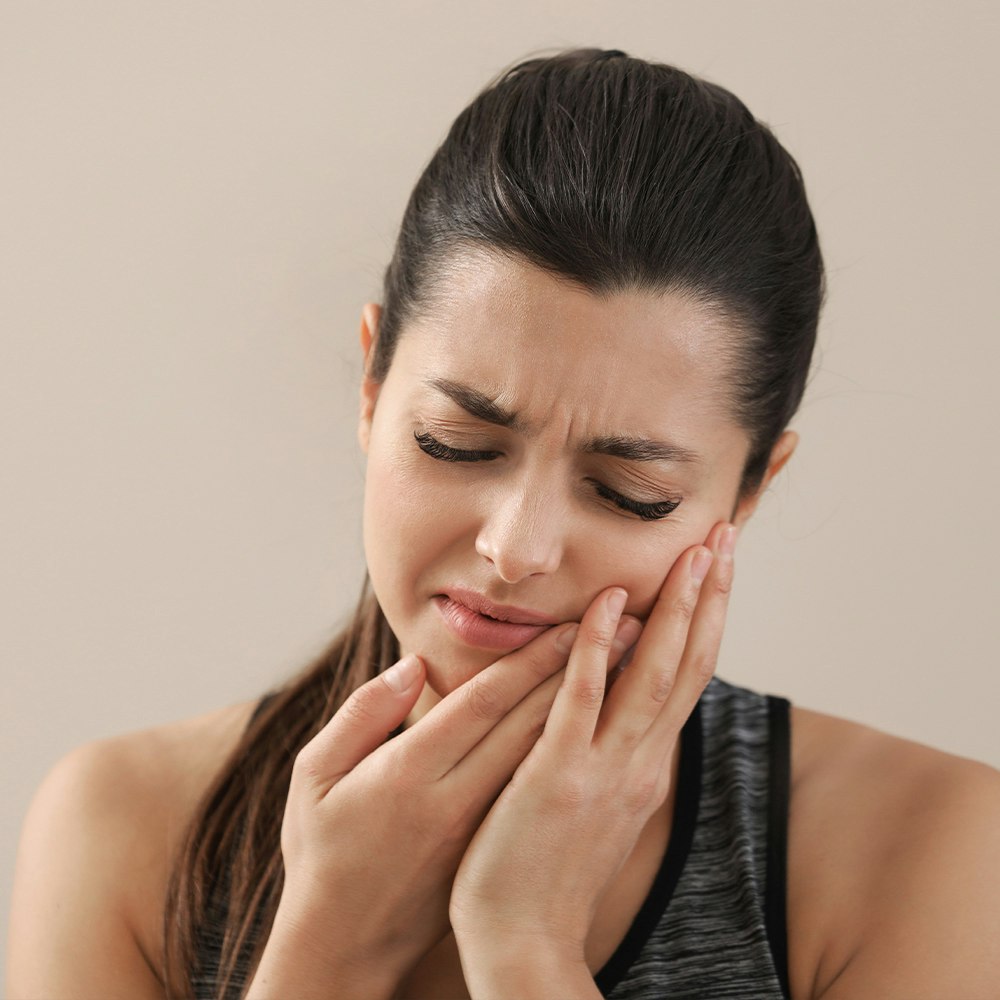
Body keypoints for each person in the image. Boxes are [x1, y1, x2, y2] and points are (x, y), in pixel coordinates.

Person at [7, 47, 1000, 1000]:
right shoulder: (128, 829)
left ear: (747, 490)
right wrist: (329, 949)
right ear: (370, 385)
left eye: (627, 490)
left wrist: (523, 943)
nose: (515, 548)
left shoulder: (919, 845)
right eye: (455, 442)